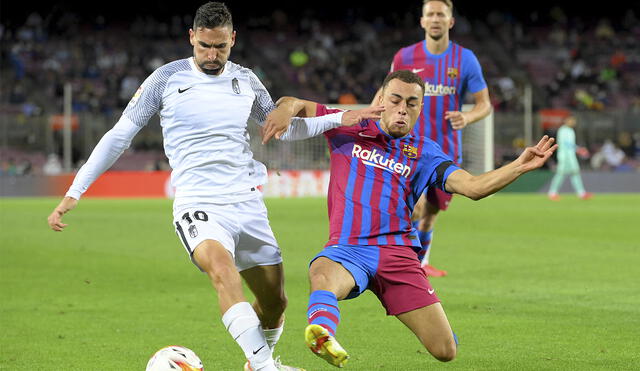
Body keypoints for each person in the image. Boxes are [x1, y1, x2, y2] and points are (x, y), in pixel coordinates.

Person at [46, 3, 381, 370]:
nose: (211, 54)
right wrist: (75, 191)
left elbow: (284, 131)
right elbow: (119, 136)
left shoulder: (246, 80)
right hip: (198, 202)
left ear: (232, 39)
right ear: (191, 37)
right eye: (204, 45)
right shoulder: (165, 79)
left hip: (246, 201)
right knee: (223, 272)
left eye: (220, 47)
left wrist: (339, 118)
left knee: (275, 303)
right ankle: (268, 368)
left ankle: (257, 364)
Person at [264, 70, 556, 367]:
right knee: (322, 273)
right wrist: (285, 110)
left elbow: (474, 187)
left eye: (412, 103)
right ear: (380, 99)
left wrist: (518, 166)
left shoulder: (425, 153)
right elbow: (293, 102)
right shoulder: (348, 124)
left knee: (445, 351)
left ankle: (431, 324)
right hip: (349, 249)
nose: (402, 108)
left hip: (398, 256)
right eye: (395, 99)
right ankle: (323, 333)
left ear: (419, 109)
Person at [372, 0, 492, 277]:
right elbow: (383, 96)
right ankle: (400, 263)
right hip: (406, 147)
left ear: (450, 21)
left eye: (441, 14)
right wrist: (367, 124)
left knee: (431, 212)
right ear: (422, 21)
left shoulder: (465, 59)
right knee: (414, 208)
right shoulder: (405, 57)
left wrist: (468, 117)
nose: (435, 19)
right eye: (430, 14)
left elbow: (484, 104)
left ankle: (419, 265)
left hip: (444, 151)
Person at [548, 115, 593, 200]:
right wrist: (579, 149)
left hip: (571, 156)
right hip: (564, 156)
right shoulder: (563, 130)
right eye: (571, 120)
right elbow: (566, 143)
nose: (573, 122)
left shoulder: (570, 130)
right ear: (566, 121)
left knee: (575, 173)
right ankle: (552, 192)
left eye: (574, 121)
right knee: (560, 173)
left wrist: (577, 149)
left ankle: (581, 193)